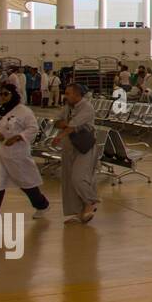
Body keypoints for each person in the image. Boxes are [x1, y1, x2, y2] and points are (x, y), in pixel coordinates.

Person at [0, 84, 50, 219]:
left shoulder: (24, 111)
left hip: (16, 155)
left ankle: (42, 205)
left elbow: (33, 129)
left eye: (5, 94)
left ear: (13, 94)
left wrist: (18, 137)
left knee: (26, 183)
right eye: (0, 94)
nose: (2, 97)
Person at [53, 82, 101, 223]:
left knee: (79, 178)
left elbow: (72, 125)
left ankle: (90, 202)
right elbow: (56, 122)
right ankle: (78, 211)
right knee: (69, 180)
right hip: (69, 147)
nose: (65, 96)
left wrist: (61, 133)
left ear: (77, 94)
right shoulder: (68, 107)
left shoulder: (87, 108)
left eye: (68, 93)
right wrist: (64, 124)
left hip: (84, 147)